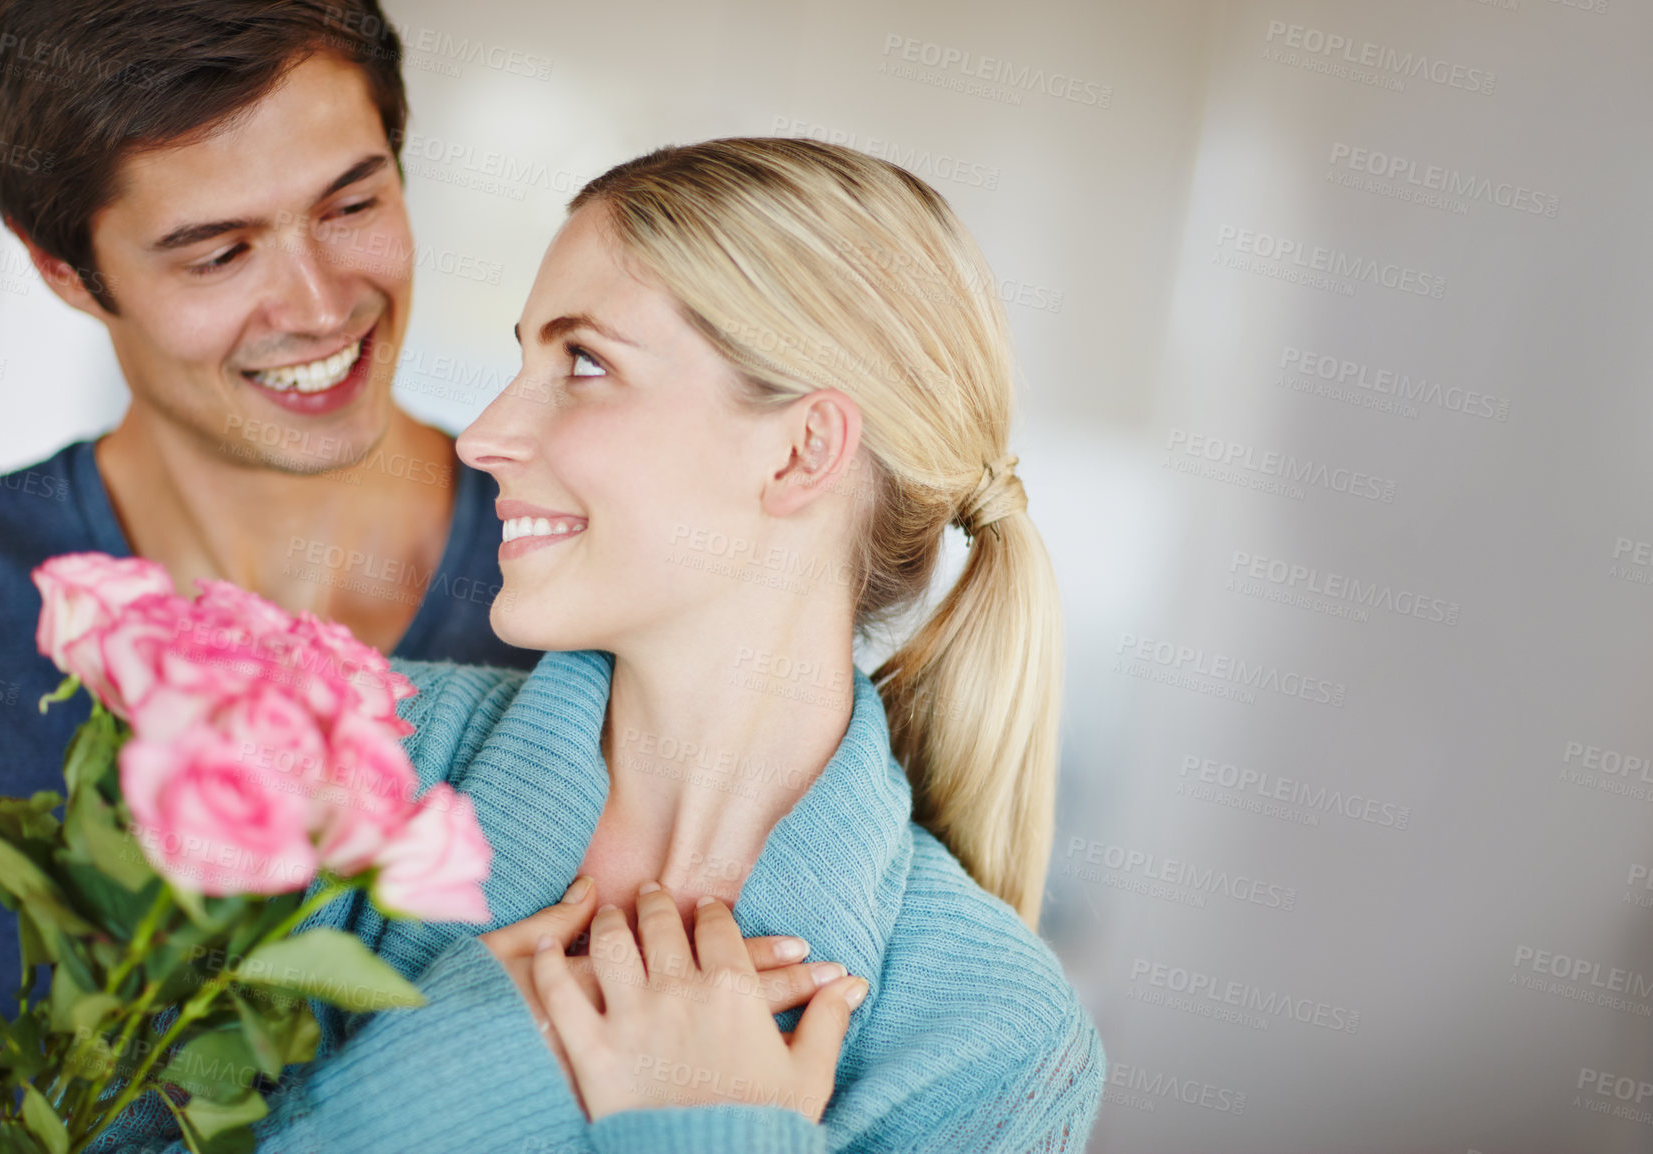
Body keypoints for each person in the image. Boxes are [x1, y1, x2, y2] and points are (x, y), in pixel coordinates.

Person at [0, 0, 840, 1124]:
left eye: (351, 204)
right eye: (219, 251)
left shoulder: (618, 587)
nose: (318, 306)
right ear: (65, 269)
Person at [100, 136, 1105, 1151]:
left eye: (582, 361)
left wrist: (710, 1134)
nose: (481, 434)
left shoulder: (998, 1045)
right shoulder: (325, 753)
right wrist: (463, 1068)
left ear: (802, 451)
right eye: (524, 356)